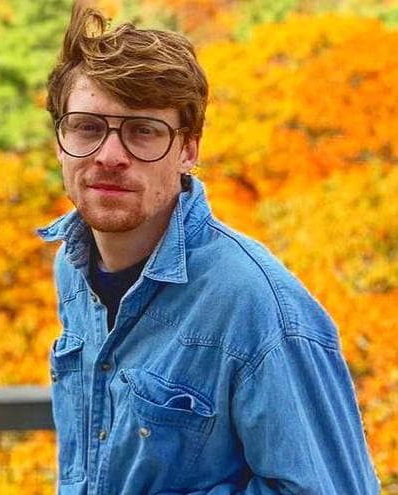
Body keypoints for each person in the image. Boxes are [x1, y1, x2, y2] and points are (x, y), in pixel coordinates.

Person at [38, 3, 380, 494]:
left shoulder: (257, 307)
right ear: (60, 139)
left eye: (143, 131)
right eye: (87, 127)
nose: (110, 156)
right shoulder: (73, 269)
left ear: (188, 150)